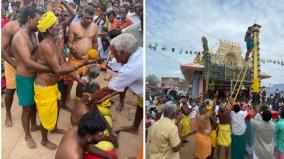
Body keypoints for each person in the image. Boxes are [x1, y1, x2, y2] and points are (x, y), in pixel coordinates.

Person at [34, 11, 95, 150]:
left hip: (53, 85)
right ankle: (44, 140)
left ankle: (54, 128)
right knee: (46, 115)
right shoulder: (46, 46)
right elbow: (58, 70)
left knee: (54, 108)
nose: (60, 25)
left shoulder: (55, 42)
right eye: (56, 24)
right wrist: (82, 63)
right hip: (44, 87)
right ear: (50, 29)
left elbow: (64, 64)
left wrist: (78, 79)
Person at [88, 33, 143, 135]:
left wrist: (90, 98)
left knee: (142, 104)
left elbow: (109, 88)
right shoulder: (140, 52)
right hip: (141, 91)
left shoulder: (130, 69)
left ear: (123, 53)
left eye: (114, 54)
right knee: (140, 105)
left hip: (143, 90)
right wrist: (109, 95)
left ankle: (135, 127)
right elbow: (123, 84)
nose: (112, 57)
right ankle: (135, 127)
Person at [11, 6, 45, 149]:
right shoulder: (19, 37)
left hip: (34, 76)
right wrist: (51, 68)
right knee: (26, 109)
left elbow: (36, 53)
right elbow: (29, 62)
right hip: (24, 78)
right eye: (37, 20)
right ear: (29, 19)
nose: (39, 23)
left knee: (34, 105)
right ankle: (27, 136)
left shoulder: (32, 34)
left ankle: (33, 126)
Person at [68, 5, 98, 99]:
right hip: (74, 59)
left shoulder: (95, 27)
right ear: (82, 15)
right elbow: (69, 42)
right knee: (69, 81)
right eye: (86, 18)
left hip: (87, 60)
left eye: (91, 18)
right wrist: (72, 47)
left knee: (84, 81)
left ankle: (78, 98)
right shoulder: (74, 27)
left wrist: (95, 56)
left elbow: (95, 42)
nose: (88, 20)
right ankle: (65, 100)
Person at [1, 9, 21, 127]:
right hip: (11, 62)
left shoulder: (31, 27)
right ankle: (8, 114)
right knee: (10, 89)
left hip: (26, 62)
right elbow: (3, 50)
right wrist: (13, 64)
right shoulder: (9, 27)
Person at [195, 93, 217, 159]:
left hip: (198, 136)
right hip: (205, 138)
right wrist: (215, 98)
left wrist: (201, 98)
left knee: (199, 154)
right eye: (205, 108)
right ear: (203, 110)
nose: (207, 109)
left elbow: (200, 106)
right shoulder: (206, 116)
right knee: (206, 155)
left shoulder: (198, 114)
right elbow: (213, 108)